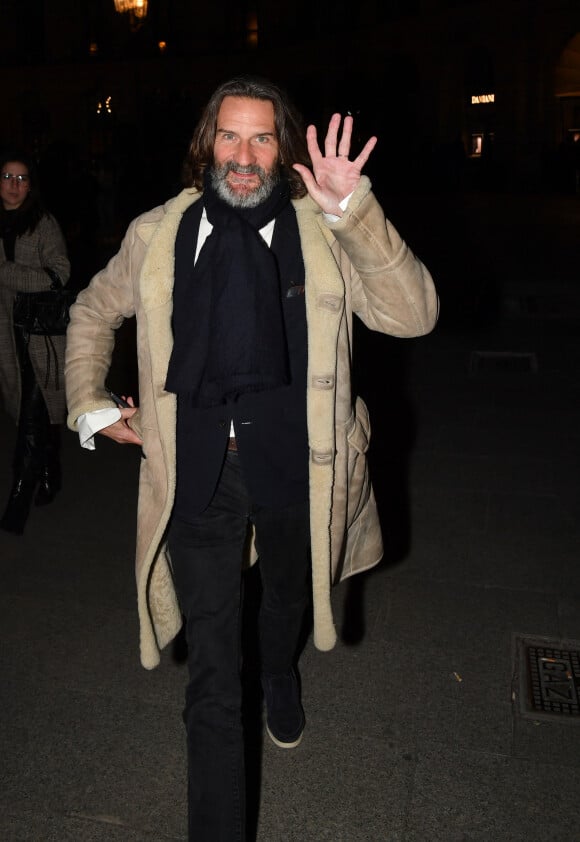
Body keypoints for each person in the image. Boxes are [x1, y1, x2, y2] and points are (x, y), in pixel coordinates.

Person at [65, 76, 438, 841]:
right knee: (210, 677)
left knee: (285, 602)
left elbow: (413, 313)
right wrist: (90, 405)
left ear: (284, 149)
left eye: (261, 138)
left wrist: (354, 211)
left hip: (301, 464)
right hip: (196, 472)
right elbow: (93, 311)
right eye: (229, 137)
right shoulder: (160, 234)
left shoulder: (321, 231)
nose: (243, 155)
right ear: (206, 146)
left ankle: (278, 669)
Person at [0, 153, 70, 535]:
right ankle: (49, 470)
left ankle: (18, 499)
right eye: (7, 176)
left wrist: (7, 275)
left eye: (22, 177)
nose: (14, 184)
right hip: (5, 336)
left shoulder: (42, 223)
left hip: (39, 336)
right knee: (27, 411)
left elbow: (60, 272)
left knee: (30, 417)